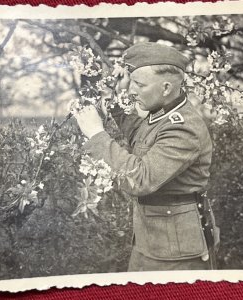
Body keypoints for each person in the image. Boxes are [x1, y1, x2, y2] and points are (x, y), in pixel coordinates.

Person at [75, 42, 219, 271]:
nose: (132, 90)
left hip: (178, 252)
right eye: (132, 82)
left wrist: (96, 134)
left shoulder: (183, 129)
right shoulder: (163, 114)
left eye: (139, 84)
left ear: (166, 88)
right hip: (151, 242)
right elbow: (140, 135)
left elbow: (140, 178)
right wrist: (114, 99)